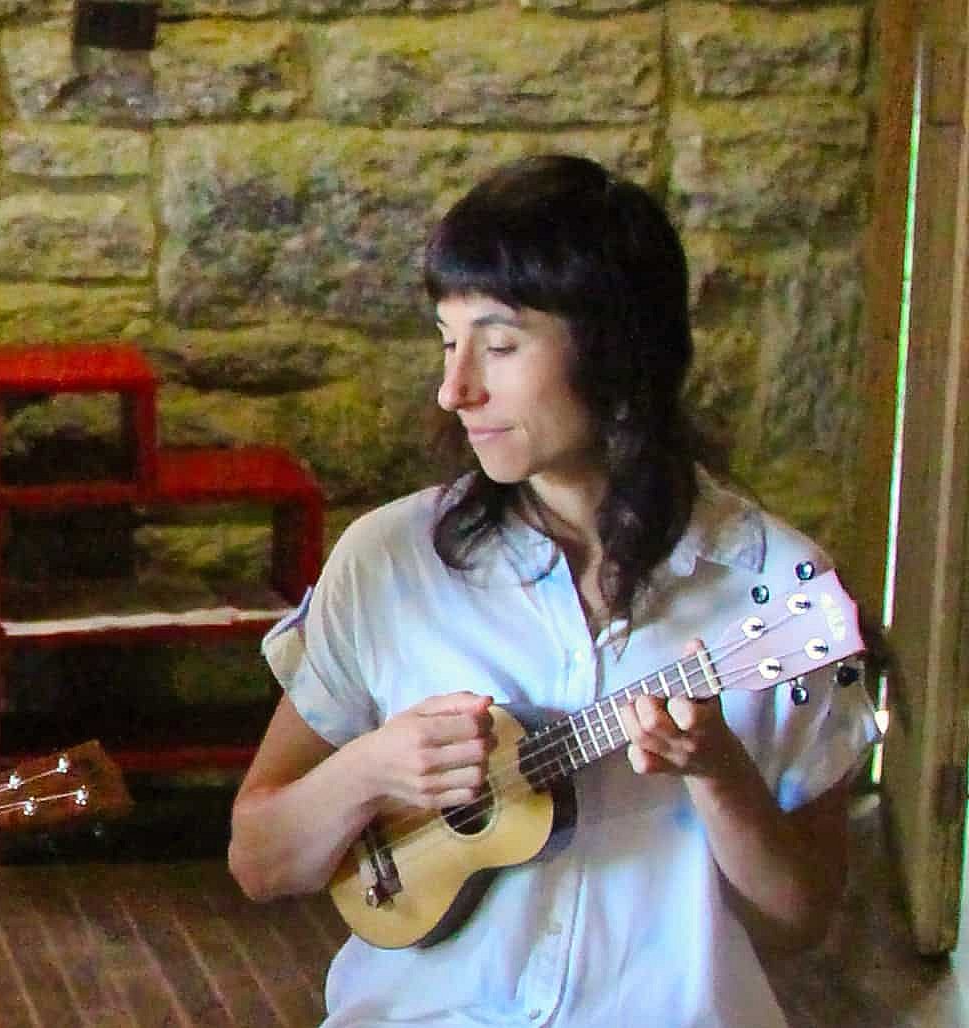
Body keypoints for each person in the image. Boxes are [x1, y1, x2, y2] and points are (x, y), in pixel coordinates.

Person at [226, 154, 877, 1026]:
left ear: (616, 347)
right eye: (446, 341)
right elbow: (259, 862)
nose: (454, 388)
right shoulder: (388, 560)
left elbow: (799, 925)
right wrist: (370, 770)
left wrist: (718, 775)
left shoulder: (774, 592)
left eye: (497, 345)